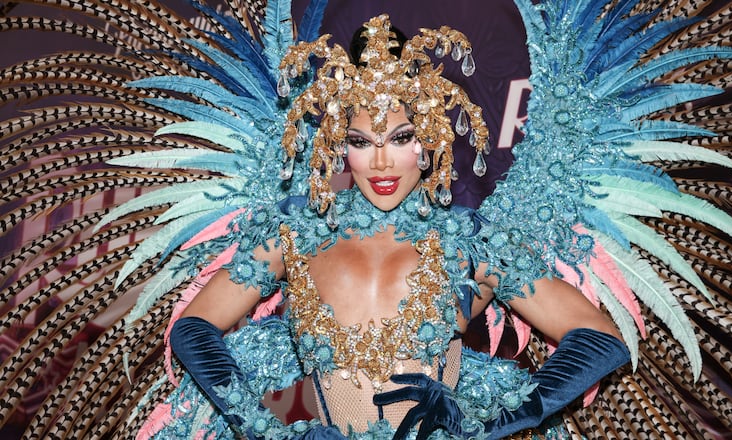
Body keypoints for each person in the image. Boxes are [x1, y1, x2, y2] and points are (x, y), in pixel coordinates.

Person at [156, 14, 630, 440]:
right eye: (362, 141)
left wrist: (487, 421)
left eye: (400, 138)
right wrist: (262, 428)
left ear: (428, 140)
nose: (381, 162)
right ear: (340, 146)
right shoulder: (298, 230)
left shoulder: (471, 242)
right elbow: (195, 328)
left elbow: (598, 338)